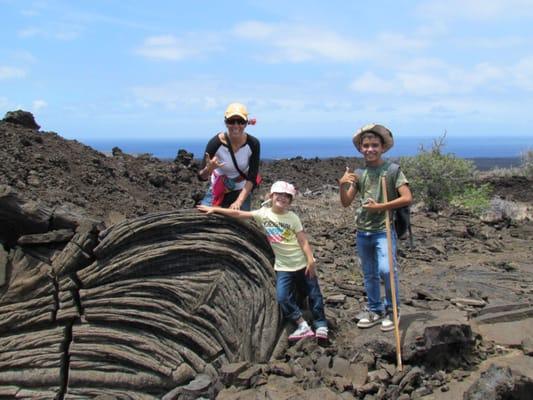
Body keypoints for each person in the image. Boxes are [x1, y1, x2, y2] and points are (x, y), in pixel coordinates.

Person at [197, 181, 329, 341]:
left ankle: (321, 324)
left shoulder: (292, 217)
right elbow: (239, 214)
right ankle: (302, 324)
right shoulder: (263, 214)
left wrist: (310, 260)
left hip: (302, 263)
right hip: (283, 267)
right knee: (282, 297)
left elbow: (303, 241)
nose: (283, 198)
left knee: (314, 293)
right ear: (271, 196)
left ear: (291, 200)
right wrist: (215, 209)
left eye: (287, 196)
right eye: (279, 194)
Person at [339, 124, 412, 332]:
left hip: (384, 228)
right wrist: (342, 185)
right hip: (363, 230)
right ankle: (374, 309)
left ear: (382, 148)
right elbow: (346, 202)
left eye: (374, 145)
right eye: (366, 145)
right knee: (369, 273)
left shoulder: (392, 170)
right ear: (361, 148)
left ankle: (392, 310)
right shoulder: (360, 173)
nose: (370, 149)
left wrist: (381, 207)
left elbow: (407, 197)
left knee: (387, 270)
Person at [198, 102, 260, 211]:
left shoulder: (253, 144)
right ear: (226, 123)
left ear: (246, 124)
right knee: (202, 218)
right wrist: (208, 169)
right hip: (218, 189)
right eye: (231, 121)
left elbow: (252, 177)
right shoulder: (215, 143)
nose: (236, 126)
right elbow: (201, 177)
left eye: (240, 122)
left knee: (241, 223)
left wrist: (238, 202)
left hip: (241, 189)